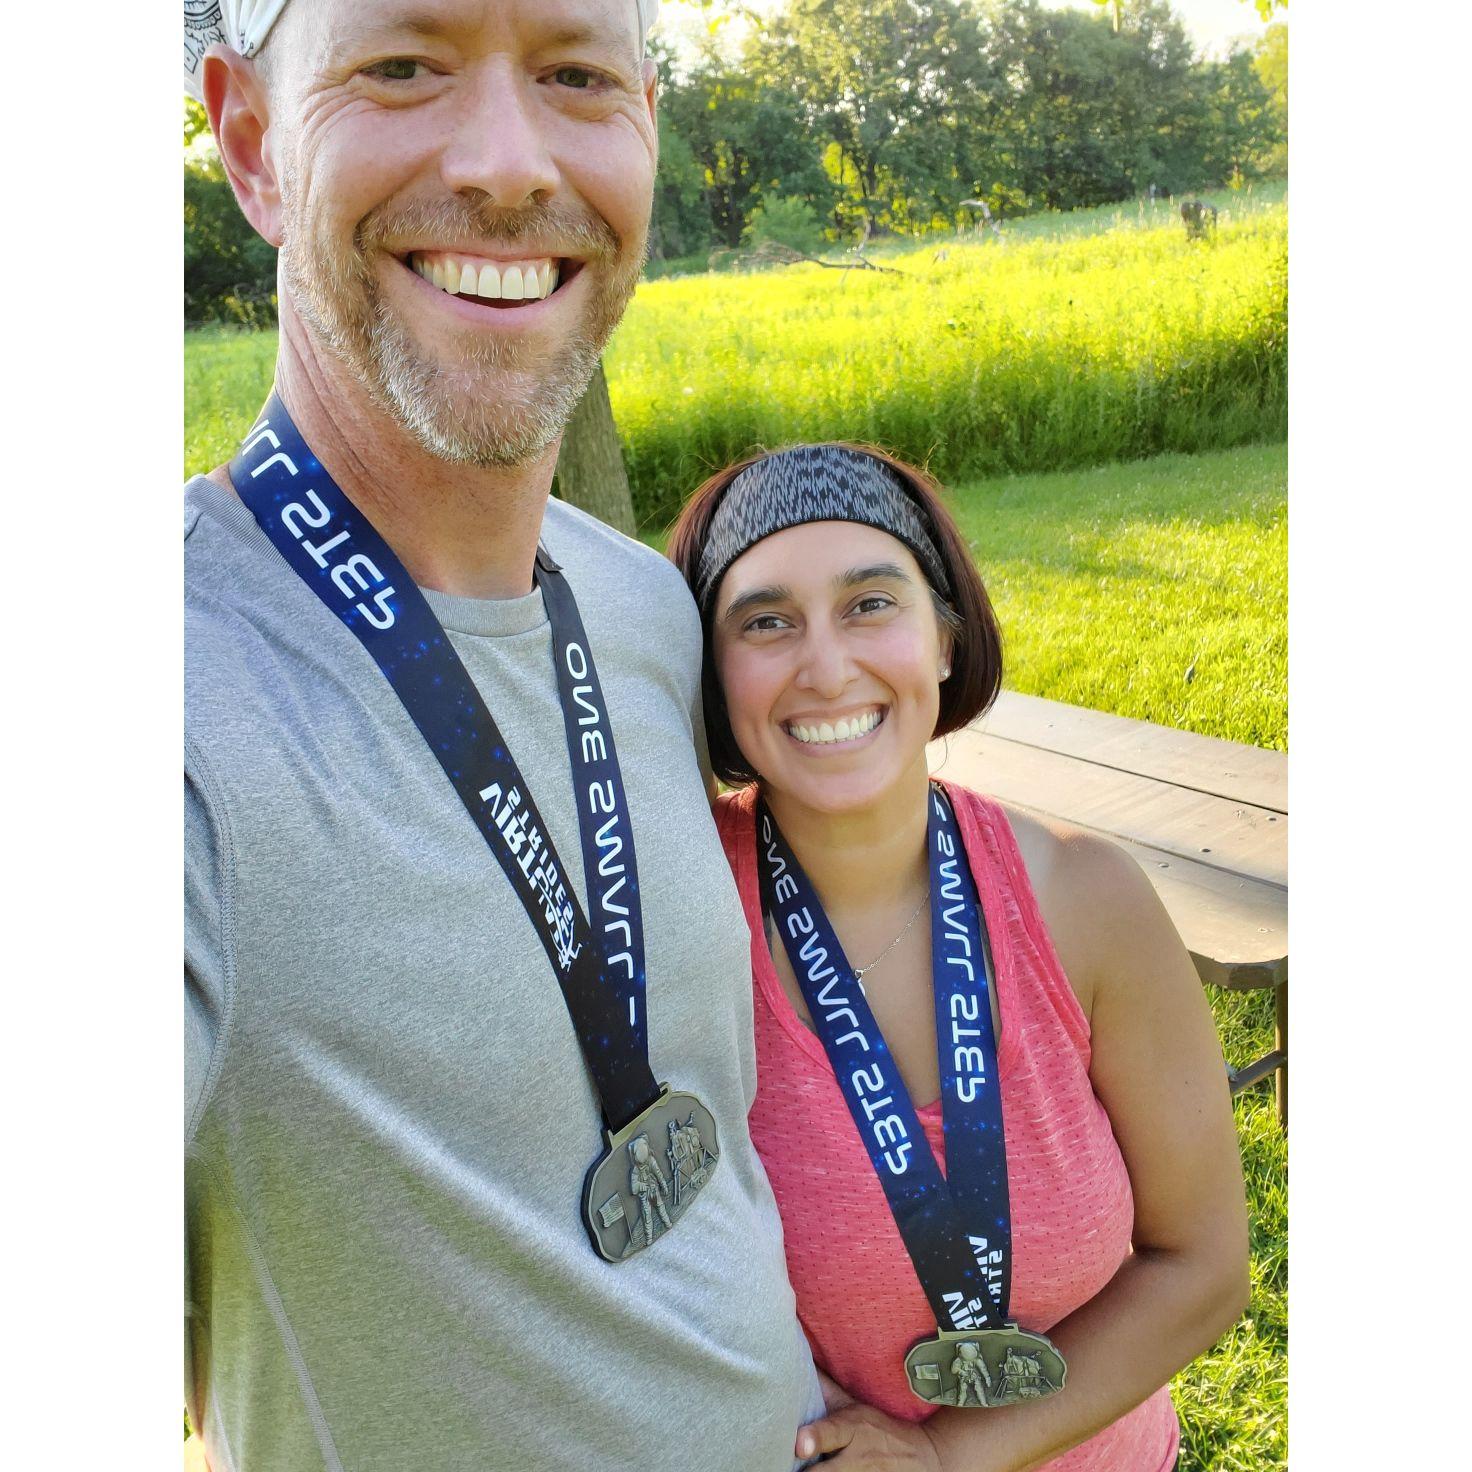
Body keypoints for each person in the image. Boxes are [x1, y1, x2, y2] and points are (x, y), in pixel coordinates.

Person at [184, 2, 824, 1467]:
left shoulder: (649, 609)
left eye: (576, 76)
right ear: (251, 142)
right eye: (400, 66)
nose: (507, 163)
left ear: (649, 123)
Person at [667, 443, 1250, 1471]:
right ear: (713, 674)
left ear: (942, 636)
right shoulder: (674, 915)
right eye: (764, 621)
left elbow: (1198, 1264)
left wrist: (942, 1457)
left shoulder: (1086, 900)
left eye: (869, 603)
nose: (825, 664)